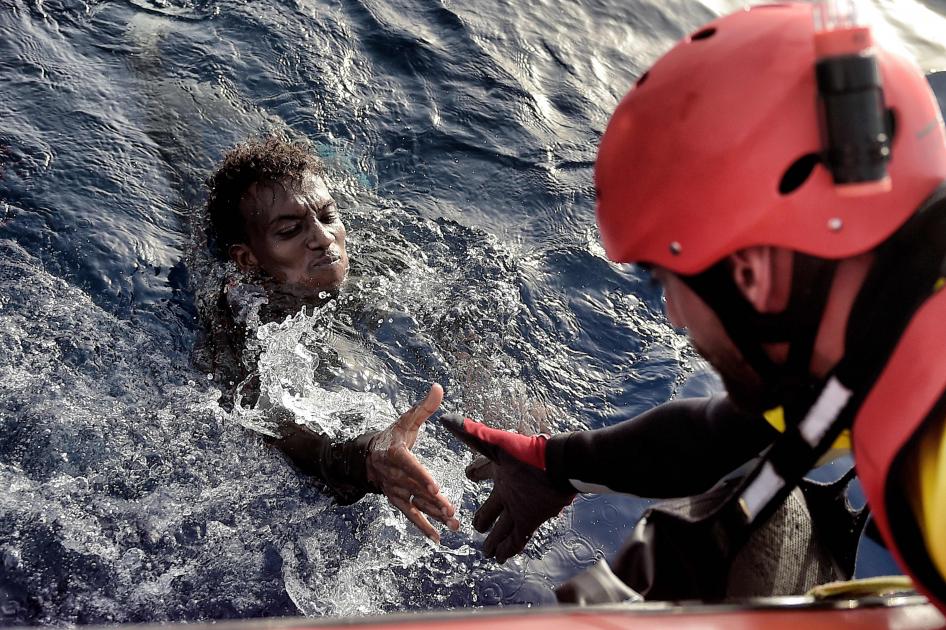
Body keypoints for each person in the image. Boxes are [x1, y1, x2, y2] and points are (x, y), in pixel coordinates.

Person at [443, 2, 946, 610]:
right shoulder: (879, 344)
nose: (674, 316)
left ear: (753, 274)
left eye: (664, 277)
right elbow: (715, 437)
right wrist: (554, 462)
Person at [203, 136, 459, 542]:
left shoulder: (382, 264)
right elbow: (270, 424)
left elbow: (455, 320)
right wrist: (363, 460)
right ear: (248, 259)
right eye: (290, 230)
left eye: (328, 215)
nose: (323, 237)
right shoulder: (244, 319)